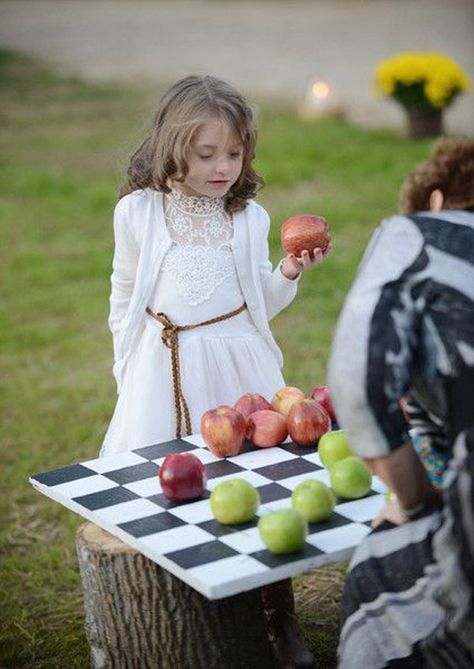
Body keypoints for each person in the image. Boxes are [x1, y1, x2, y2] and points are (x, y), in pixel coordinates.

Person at [101, 75, 330, 668]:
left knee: (254, 487)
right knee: (169, 489)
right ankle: (190, 615)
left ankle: (279, 619)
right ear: (173, 148)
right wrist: (128, 362)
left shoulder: (249, 217)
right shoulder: (139, 212)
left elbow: (256, 305)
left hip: (237, 368)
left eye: (234, 153)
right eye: (207, 154)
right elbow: (124, 289)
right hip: (165, 365)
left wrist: (288, 273)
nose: (223, 166)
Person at [327, 137, 474, 668]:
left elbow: (358, 381)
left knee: (374, 569)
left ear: (436, 201)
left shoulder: (419, 235)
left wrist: (412, 500)